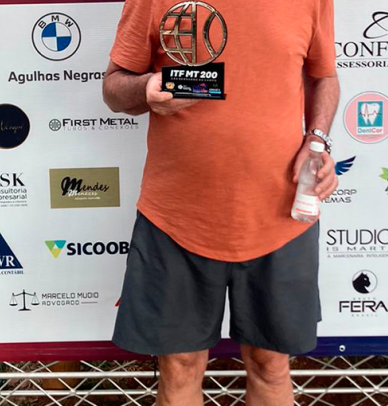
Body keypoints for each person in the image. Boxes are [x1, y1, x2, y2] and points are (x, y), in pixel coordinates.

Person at [102, 0, 340, 404]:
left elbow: (324, 76)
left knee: (270, 365)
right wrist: (146, 89)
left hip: (280, 216)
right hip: (176, 217)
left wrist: (317, 140)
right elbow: (113, 90)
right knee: (180, 367)